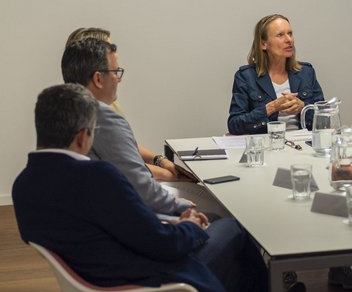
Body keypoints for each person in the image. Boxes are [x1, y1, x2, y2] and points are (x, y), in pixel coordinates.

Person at [13, 84, 300, 292]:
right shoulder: (97, 177)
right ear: (82, 137)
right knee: (236, 234)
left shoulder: (24, 187)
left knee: (240, 269)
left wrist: (172, 225)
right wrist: (190, 227)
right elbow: (163, 246)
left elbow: (110, 231)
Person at [227, 14, 352, 291]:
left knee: (335, 188)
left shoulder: (306, 72)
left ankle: (340, 265)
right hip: (269, 150)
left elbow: (325, 119)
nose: (289, 40)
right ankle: (284, 270)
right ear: (263, 44)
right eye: (280, 35)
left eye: (290, 33)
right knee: (277, 204)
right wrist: (269, 109)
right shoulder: (246, 76)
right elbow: (235, 123)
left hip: (306, 148)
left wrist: (304, 107)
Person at [61, 38, 228, 220]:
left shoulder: (62, 110)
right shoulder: (104, 118)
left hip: (91, 209)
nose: (119, 79)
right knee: (225, 211)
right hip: (127, 211)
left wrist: (160, 163)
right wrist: (178, 205)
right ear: (98, 78)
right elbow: (139, 186)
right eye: (116, 72)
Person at [65, 27, 188, 183]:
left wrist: (159, 160)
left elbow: (126, 146)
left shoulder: (98, 105)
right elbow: (124, 167)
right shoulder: (94, 115)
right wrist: (167, 174)